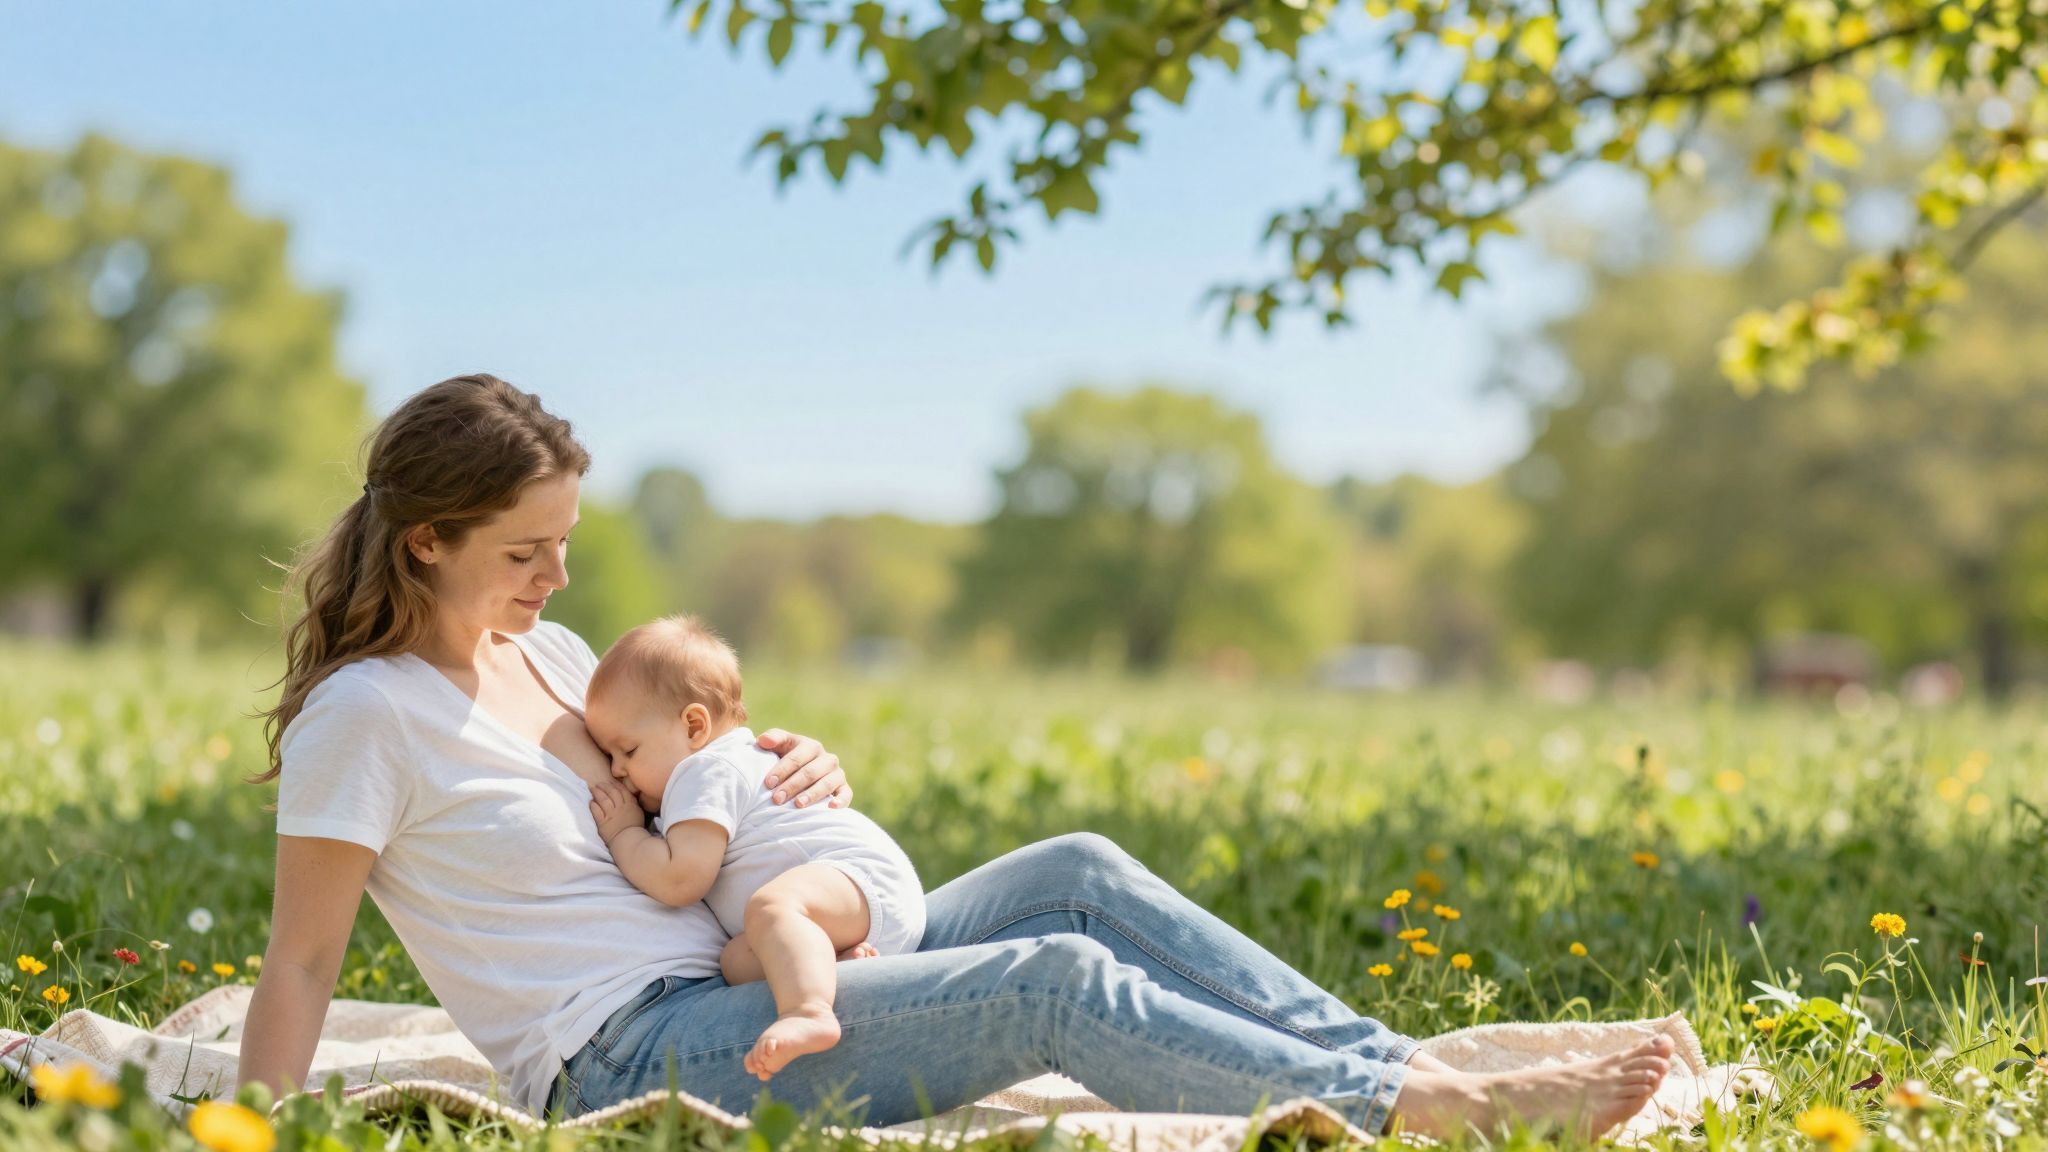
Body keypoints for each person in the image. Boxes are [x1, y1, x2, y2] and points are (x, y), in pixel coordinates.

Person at [239, 373, 1675, 1141]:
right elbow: (304, 960)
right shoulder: (367, 718)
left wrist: (783, 764)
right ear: (427, 540)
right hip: (629, 1053)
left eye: (563, 543)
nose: (558, 576)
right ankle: (1429, 1112)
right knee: (1049, 983)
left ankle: (1378, 1060)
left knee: (1080, 872)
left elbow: (681, 754)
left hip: (741, 947)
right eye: (523, 549)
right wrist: (257, 1130)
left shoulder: (545, 656)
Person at [582, 614, 924, 1080]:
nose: (618, 770)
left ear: (694, 727)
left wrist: (624, 833)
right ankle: (834, 963)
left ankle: (809, 1012)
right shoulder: (713, 770)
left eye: (628, 751)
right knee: (737, 960)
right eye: (609, 758)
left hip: (857, 877)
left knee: (770, 907)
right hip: (854, 910)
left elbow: (680, 879)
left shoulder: (705, 771)